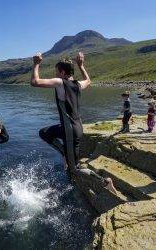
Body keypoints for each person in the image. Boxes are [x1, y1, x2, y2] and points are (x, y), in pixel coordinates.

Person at [30, 51, 117, 194]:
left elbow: (35, 82)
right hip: (74, 127)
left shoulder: (60, 82)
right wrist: (81, 65)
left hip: (69, 130)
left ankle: (105, 182)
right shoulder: (78, 84)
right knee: (44, 133)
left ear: (62, 72)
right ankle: (65, 153)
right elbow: (88, 80)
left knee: (74, 168)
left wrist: (36, 64)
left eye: (57, 72)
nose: (56, 74)